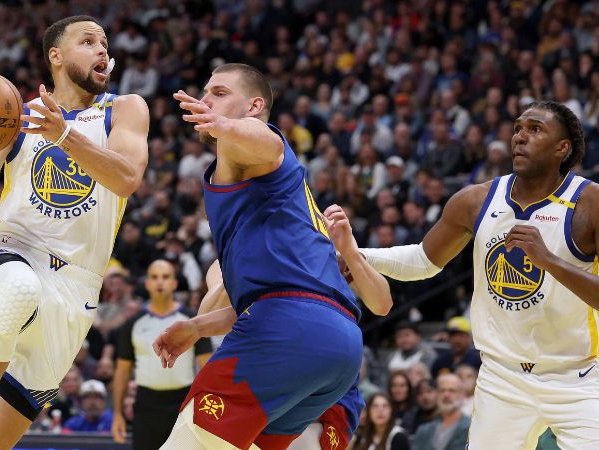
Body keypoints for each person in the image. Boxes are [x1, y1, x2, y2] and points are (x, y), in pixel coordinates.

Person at [0, 14, 148, 450]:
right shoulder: (13, 117)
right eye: (88, 41)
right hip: (14, 253)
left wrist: (65, 135)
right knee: (20, 291)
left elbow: (125, 178)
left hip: (77, 288)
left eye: (105, 43)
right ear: (56, 57)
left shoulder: (125, 109)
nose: (103, 50)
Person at [154, 63, 391, 449]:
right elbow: (277, 293)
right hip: (341, 350)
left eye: (218, 92)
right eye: (205, 91)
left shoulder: (253, 150)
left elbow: (268, 141)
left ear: (254, 106)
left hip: (288, 329)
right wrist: (197, 328)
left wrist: (223, 125)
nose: (205, 99)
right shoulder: (290, 211)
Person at [359, 101, 599, 448]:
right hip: (502, 378)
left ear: (562, 148)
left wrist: (549, 261)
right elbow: (423, 260)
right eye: (518, 128)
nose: (520, 137)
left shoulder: (589, 204)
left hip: (578, 377)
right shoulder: (476, 200)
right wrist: (358, 255)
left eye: (535, 129)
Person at [111, 260, 213, 449]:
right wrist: (117, 413)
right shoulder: (133, 324)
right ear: (147, 283)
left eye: (165, 277)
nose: (160, 282)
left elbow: (208, 367)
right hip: (146, 405)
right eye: (154, 277)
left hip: (183, 404)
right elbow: (122, 371)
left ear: (174, 283)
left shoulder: (192, 322)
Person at [411, 374, 470, 450]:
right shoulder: (423, 431)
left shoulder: (471, 428)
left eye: (452, 390)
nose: (446, 395)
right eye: (442, 390)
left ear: (462, 395)